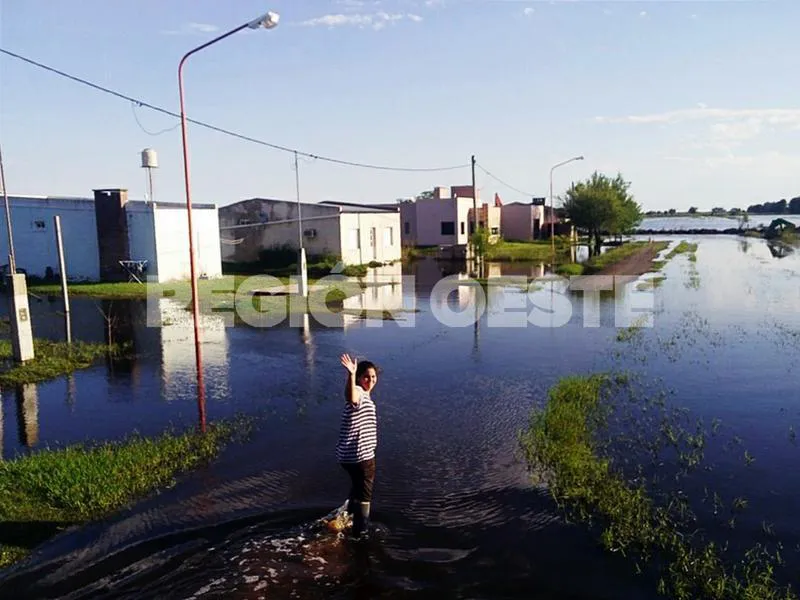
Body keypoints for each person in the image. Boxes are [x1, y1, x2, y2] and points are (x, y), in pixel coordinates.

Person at [336, 353, 378, 538]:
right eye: (366, 377)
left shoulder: (366, 396)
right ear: (360, 378)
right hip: (362, 457)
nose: (370, 380)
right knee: (365, 496)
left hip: (348, 456)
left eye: (373, 376)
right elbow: (351, 397)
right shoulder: (359, 393)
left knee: (357, 488)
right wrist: (351, 375)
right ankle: (360, 534)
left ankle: (344, 519)